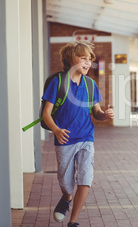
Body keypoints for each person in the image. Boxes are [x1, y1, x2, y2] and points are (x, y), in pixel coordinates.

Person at [42, 41, 114, 227]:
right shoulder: (57, 82)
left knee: (85, 178)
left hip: (86, 137)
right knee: (66, 183)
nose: (87, 62)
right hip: (65, 139)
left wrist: (104, 115)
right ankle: (67, 197)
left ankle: (73, 221)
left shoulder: (90, 84)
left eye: (89, 59)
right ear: (70, 59)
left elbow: (96, 112)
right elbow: (46, 114)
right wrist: (56, 130)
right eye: (83, 58)